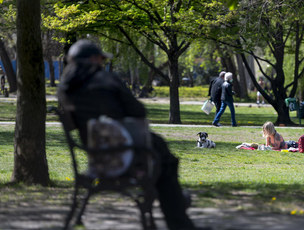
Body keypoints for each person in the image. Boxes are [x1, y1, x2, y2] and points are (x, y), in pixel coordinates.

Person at [57, 39, 210, 230]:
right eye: (101, 60)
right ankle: (179, 219)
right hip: (126, 154)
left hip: (97, 157)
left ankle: (177, 204)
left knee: (160, 154)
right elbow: (138, 111)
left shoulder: (65, 88)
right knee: (164, 161)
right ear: (94, 59)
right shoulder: (105, 80)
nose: (102, 64)